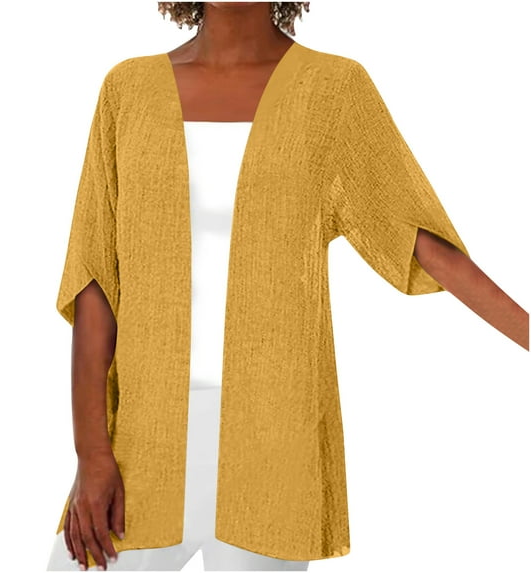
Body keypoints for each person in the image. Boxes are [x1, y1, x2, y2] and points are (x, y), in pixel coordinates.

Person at [46, 2, 529, 572]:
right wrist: (92, 454)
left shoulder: (333, 90)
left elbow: (416, 238)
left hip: (274, 441)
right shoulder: (126, 90)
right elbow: (95, 282)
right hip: (141, 440)